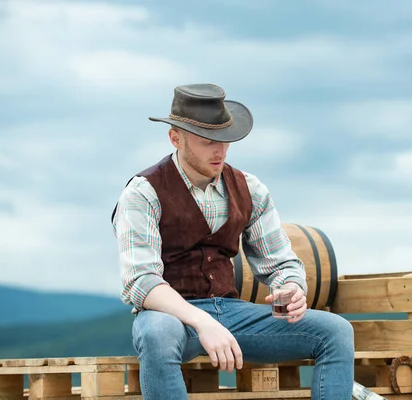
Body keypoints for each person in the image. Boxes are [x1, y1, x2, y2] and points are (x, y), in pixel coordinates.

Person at [111, 83, 355, 400]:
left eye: (226, 141)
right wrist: (201, 322)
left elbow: (281, 262)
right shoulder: (143, 192)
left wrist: (291, 287)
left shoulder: (249, 188)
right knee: (156, 333)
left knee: (336, 331)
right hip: (171, 317)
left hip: (232, 312)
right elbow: (141, 281)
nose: (221, 151)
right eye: (208, 142)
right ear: (176, 138)